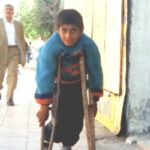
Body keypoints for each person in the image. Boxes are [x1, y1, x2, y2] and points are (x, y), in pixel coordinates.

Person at [35, 9, 103, 150]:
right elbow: (44, 75)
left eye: (73, 30)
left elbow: (95, 71)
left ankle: (67, 144)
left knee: (77, 120)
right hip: (58, 85)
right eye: (64, 30)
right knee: (60, 118)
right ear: (57, 30)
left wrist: (94, 100)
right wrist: (44, 106)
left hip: (78, 86)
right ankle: (50, 132)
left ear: (81, 30)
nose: (68, 35)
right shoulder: (51, 46)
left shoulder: (88, 45)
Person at [0, 4, 26, 106]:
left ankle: (9, 98)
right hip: (1, 51)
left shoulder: (19, 25)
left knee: (13, 75)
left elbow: (22, 41)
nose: (9, 11)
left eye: (11, 9)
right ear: (3, 11)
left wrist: (22, 57)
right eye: (7, 9)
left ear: (13, 12)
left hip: (14, 51)